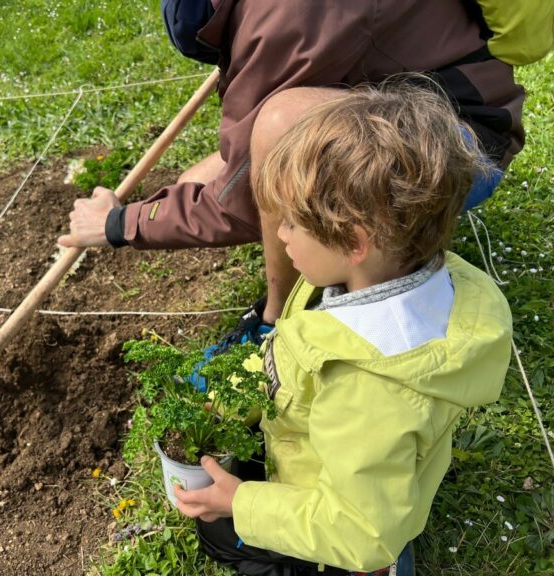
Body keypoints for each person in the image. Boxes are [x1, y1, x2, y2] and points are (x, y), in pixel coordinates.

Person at [171, 82, 513, 575]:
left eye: (289, 223)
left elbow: (359, 529)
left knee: (225, 534)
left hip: (341, 524)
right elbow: (291, 354)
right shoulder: (357, 278)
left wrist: (242, 503)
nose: (280, 234)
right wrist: (224, 394)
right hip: (326, 462)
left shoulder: (372, 389)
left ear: (353, 241)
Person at [58, 0, 524, 350]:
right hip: (417, 101)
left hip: (464, 147)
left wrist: (118, 225)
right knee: (199, 174)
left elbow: (242, 204)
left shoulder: (282, 24)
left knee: (278, 126)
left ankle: (277, 319)